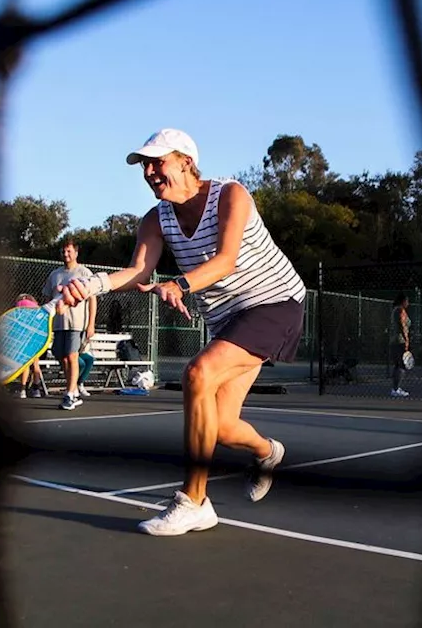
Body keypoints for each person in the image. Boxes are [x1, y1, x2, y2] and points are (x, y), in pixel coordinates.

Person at [57, 128, 305, 536]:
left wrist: (180, 284)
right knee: (221, 424)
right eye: (145, 166)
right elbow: (139, 270)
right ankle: (267, 452)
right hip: (229, 318)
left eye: (158, 162)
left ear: (186, 162)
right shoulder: (155, 220)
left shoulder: (231, 195)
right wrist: (92, 285)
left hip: (275, 302)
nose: (150, 171)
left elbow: (226, 260)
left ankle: (194, 502)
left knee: (197, 373)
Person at [44, 240, 97, 410]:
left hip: (77, 323)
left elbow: (92, 300)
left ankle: (69, 393)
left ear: (76, 253)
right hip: (59, 325)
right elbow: (48, 299)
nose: (66, 254)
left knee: (72, 356)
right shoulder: (55, 275)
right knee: (62, 356)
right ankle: (73, 390)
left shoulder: (84, 272)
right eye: (63, 251)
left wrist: (91, 324)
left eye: (69, 251)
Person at [14, 294, 47, 398]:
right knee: (34, 364)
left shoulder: (19, 313)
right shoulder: (37, 313)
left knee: (26, 364)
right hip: (34, 340)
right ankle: (35, 389)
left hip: (27, 340)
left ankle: (23, 389)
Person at [389, 293, 411, 397]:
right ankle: (395, 389)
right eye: (407, 301)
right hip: (400, 341)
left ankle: (396, 388)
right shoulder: (400, 310)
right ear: (403, 301)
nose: (408, 303)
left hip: (395, 340)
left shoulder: (395, 310)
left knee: (398, 365)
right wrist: (406, 340)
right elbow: (402, 326)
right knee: (402, 365)